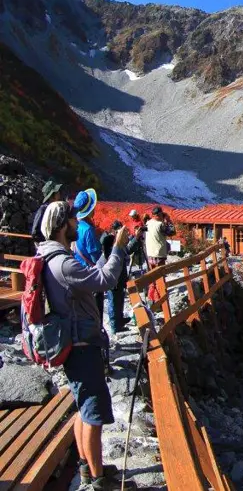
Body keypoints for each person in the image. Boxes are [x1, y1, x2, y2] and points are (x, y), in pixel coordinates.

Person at [37, 200, 132, 490]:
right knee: (93, 411)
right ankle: (98, 478)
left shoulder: (52, 257)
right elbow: (105, 280)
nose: (78, 224)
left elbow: (92, 277)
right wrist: (118, 247)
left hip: (73, 342)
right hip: (81, 344)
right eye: (73, 221)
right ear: (63, 226)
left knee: (83, 407)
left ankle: (88, 465)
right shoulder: (63, 262)